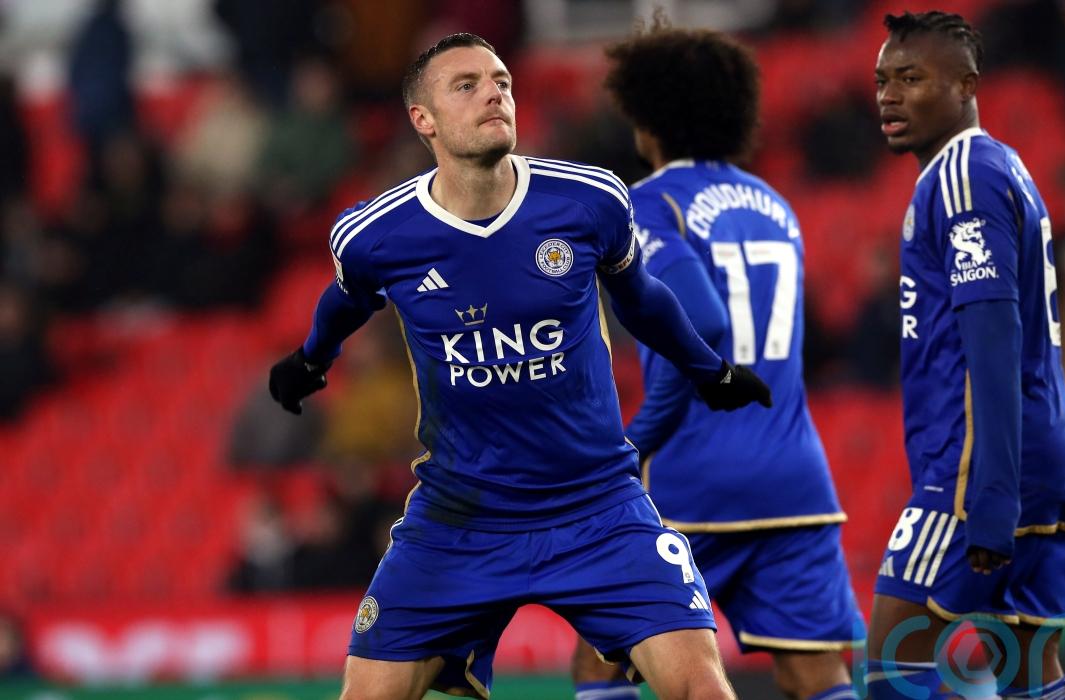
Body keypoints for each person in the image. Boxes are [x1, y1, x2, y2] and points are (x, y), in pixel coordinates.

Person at [266, 33, 772, 700]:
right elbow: (345, 300)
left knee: (703, 689)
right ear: (424, 119)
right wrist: (311, 359)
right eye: (467, 85)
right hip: (458, 520)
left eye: (501, 80)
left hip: (598, 507)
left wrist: (711, 371)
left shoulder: (588, 199)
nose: (494, 94)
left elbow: (641, 297)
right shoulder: (376, 235)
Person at [570, 19, 864, 700]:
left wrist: (642, 436)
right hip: (794, 480)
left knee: (601, 660)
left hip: (693, 478)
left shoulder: (649, 204)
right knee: (817, 675)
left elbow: (702, 321)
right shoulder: (775, 206)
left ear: (648, 117)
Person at [868, 11, 1065, 699]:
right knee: (1028, 675)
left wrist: (991, 494)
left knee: (893, 665)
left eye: (911, 79)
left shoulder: (963, 176)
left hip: (978, 465)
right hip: (1036, 448)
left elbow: (992, 335)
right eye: (882, 80)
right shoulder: (999, 167)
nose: (889, 96)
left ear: (967, 86)